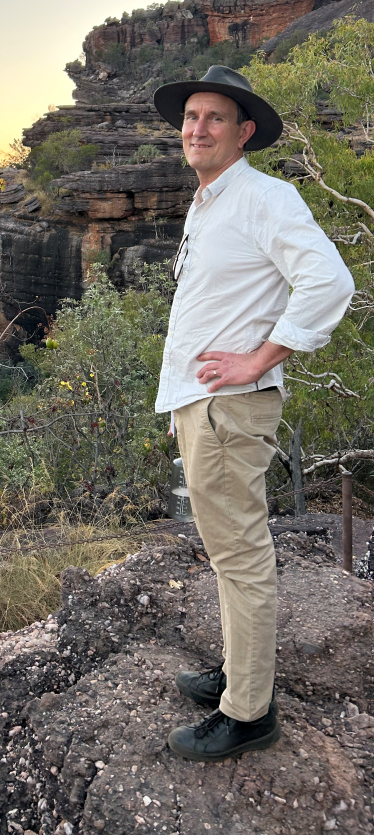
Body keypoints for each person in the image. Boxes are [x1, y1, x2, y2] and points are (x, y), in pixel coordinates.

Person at [152, 65, 355, 762]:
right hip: (202, 403)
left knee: (239, 555)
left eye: (213, 118)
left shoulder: (266, 196)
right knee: (227, 549)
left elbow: (331, 279)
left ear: (243, 133)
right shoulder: (210, 201)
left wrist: (260, 357)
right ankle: (241, 673)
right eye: (191, 117)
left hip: (229, 406)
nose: (197, 128)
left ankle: (249, 713)